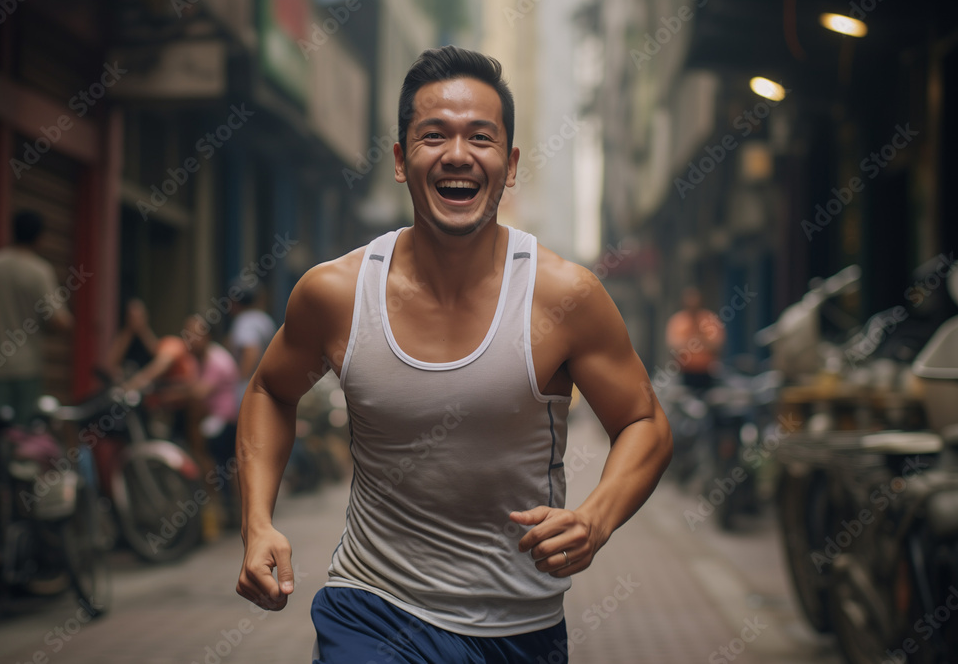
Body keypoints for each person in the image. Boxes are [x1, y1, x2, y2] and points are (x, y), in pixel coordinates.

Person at [236, 46, 673, 663]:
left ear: (510, 163)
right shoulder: (337, 293)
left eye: (481, 137)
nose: (458, 155)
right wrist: (258, 522)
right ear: (399, 159)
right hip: (371, 608)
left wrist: (596, 518)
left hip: (518, 628)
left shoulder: (564, 296)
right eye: (433, 135)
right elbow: (269, 390)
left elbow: (644, 422)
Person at [0, 210, 74, 423]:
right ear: (39, 237)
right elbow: (60, 320)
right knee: (23, 437)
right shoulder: (39, 271)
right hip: (27, 367)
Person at [184, 316, 241, 527]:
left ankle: (220, 511)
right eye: (187, 333)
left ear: (206, 336)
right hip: (213, 420)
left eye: (195, 334)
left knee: (212, 461)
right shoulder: (199, 358)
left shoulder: (217, 361)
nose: (190, 339)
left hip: (223, 423)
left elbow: (198, 393)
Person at [665, 286, 726, 391]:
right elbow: (674, 346)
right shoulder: (678, 321)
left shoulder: (710, 319)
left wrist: (697, 342)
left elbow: (717, 344)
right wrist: (699, 343)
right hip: (685, 373)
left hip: (707, 373)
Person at [227, 283, 276, 404]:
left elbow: (251, 351)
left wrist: (241, 383)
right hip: (267, 384)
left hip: (251, 385)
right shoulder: (263, 318)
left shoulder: (245, 321)